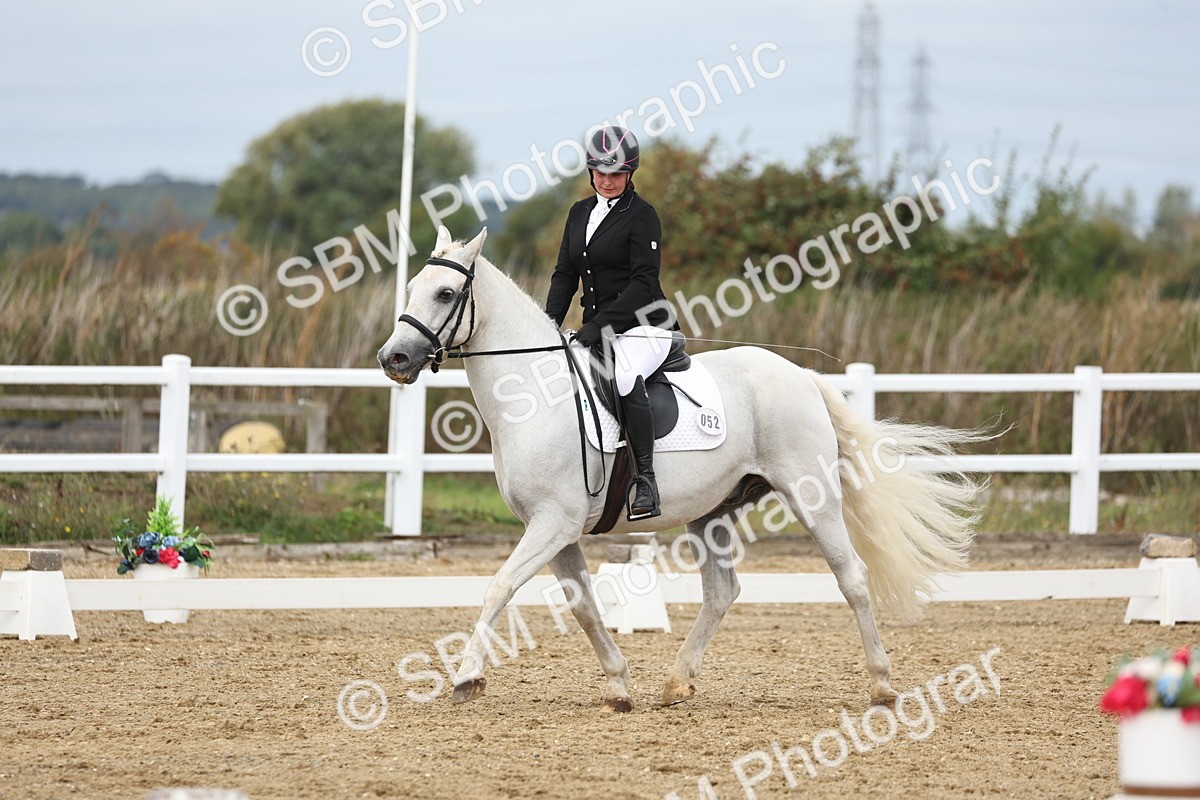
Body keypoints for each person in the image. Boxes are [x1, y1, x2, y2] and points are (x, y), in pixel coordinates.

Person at [545, 125, 678, 521]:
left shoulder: (643, 216)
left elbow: (643, 283)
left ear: (630, 173)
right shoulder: (579, 212)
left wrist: (598, 325)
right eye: (600, 173)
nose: (607, 181)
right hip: (599, 327)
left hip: (646, 325)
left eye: (616, 174)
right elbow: (565, 273)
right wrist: (549, 322)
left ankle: (646, 481)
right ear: (590, 172)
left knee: (622, 378)